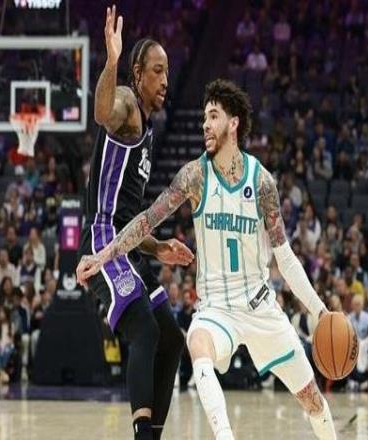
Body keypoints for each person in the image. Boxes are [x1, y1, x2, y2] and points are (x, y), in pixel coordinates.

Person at [78, 79, 336, 439]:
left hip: (260, 306)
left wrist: (320, 311)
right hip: (217, 309)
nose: (205, 124)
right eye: (204, 117)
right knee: (197, 342)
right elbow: (146, 221)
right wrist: (102, 255)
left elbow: (287, 259)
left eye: (213, 116)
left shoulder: (262, 183)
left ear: (233, 123)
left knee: (313, 401)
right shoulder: (195, 175)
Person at [76, 7, 193, 439]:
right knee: (144, 329)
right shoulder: (127, 105)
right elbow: (101, 110)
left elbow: (132, 222)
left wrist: (158, 247)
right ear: (138, 73)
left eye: (168, 72)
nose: (165, 80)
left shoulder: (148, 132)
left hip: (126, 245)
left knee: (172, 337)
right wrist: (111, 60)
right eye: (157, 71)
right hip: (101, 242)